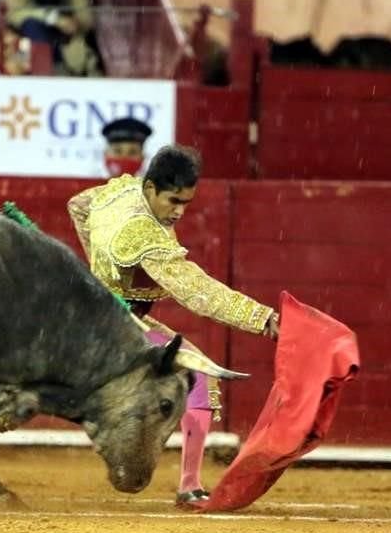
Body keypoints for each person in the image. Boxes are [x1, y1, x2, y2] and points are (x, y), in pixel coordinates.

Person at [66, 145, 279, 506]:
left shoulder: (123, 190)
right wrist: (263, 318)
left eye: (187, 203)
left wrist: (103, 271)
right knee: (198, 378)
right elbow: (198, 293)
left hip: (100, 314)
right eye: (173, 201)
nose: (179, 212)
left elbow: (79, 205)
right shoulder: (143, 236)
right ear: (151, 189)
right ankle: (189, 486)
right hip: (115, 327)